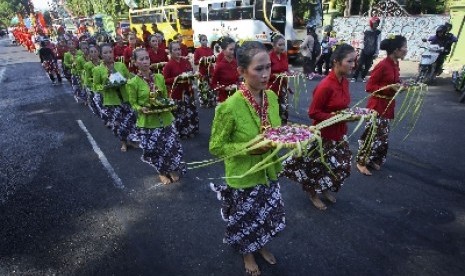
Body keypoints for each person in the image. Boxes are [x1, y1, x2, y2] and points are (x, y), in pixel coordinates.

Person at [209, 41, 285, 276]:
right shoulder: (229, 107)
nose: (265, 75)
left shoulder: (271, 96)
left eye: (268, 67)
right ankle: (247, 253)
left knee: (264, 215)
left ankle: (260, 244)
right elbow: (216, 147)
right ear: (242, 71)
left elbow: (276, 129)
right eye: (258, 69)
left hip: (268, 170)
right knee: (246, 221)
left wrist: (284, 139)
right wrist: (248, 149)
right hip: (243, 176)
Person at [280, 43, 356, 210]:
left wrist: (349, 114)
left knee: (339, 167)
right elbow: (313, 113)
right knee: (317, 168)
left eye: (354, 61)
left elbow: (342, 107)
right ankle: (313, 193)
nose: (353, 65)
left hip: (339, 134)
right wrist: (336, 117)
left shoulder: (345, 82)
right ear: (336, 62)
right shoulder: (325, 86)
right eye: (349, 61)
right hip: (323, 136)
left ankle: (325, 188)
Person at [127, 48, 186, 184]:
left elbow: (165, 97)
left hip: (166, 119)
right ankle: (161, 172)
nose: (145, 61)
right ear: (135, 62)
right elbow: (133, 104)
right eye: (141, 59)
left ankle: (171, 168)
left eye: (147, 58)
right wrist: (142, 108)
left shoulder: (159, 77)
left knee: (170, 147)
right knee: (155, 149)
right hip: (148, 122)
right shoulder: (133, 82)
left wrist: (169, 104)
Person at [356, 35, 407, 175]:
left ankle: (372, 159)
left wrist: (401, 85)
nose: (406, 50)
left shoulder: (395, 63)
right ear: (396, 50)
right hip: (377, 106)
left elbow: (394, 81)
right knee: (371, 135)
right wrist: (391, 87)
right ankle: (361, 162)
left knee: (382, 137)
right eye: (404, 47)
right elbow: (370, 86)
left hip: (388, 106)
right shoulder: (383, 65)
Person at [93, 44, 133, 151]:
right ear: (101, 55)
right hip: (111, 101)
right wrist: (105, 87)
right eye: (105, 53)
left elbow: (129, 79)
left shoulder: (121, 65)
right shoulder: (98, 69)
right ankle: (123, 142)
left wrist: (126, 81)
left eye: (110, 52)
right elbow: (96, 86)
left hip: (125, 98)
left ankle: (130, 140)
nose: (109, 55)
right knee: (118, 123)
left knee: (129, 121)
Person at [163, 41, 199, 139]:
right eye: (175, 50)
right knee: (180, 114)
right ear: (170, 52)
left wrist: (191, 75)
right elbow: (165, 80)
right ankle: (182, 132)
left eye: (179, 49)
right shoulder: (169, 65)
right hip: (177, 94)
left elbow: (191, 71)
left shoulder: (185, 61)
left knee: (190, 111)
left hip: (188, 91)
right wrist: (177, 78)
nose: (178, 51)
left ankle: (192, 130)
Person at [268, 34, 290, 124]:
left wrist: (288, 73)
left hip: (283, 86)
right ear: (273, 45)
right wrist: (276, 75)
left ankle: (283, 126)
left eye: (283, 44)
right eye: (279, 45)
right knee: (273, 107)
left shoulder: (284, 55)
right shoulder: (269, 57)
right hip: (272, 86)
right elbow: (265, 73)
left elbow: (286, 69)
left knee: (284, 107)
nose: (282, 47)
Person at [352, 16, 381, 82]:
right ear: (371, 23)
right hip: (364, 50)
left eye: (377, 23)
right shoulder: (366, 31)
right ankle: (354, 77)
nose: (375, 25)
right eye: (374, 23)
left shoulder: (378, 32)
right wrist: (360, 49)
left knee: (368, 65)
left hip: (372, 51)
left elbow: (378, 42)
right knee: (360, 64)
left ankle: (363, 77)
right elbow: (361, 40)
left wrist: (377, 52)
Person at [211, 37, 240, 103]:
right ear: (223, 51)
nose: (233, 52)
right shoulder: (220, 66)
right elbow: (213, 85)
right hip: (224, 100)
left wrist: (239, 84)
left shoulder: (235, 62)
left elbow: (237, 79)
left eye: (234, 49)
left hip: (236, 97)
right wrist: (225, 88)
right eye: (230, 49)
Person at [193, 34, 216, 107]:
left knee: (211, 87)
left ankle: (211, 101)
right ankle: (204, 102)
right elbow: (195, 62)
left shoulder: (209, 49)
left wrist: (212, 58)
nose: (205, 41)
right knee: (203, 87)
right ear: (200, 41)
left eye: (206, 40)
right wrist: (202, 60)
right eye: (203, 40)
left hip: (210, 71)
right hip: (202, 72)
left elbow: (214, 59)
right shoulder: (198, 50)